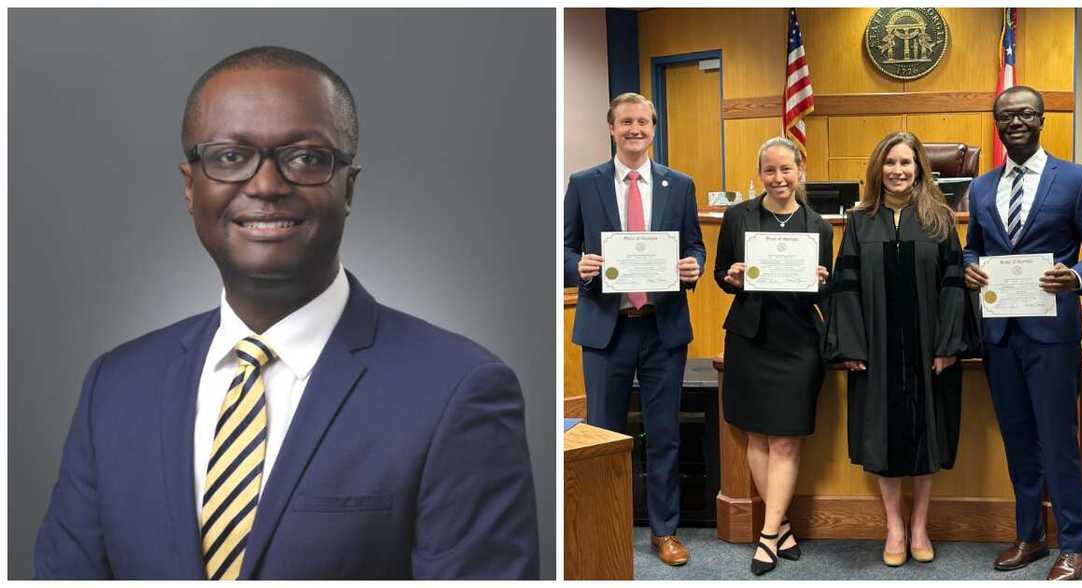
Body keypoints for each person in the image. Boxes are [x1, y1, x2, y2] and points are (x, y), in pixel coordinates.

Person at [34, 46, 539, 580]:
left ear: (348, 185)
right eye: (230, 157)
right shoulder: (114, 386)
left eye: (305, 158)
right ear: (190, 186)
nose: (267, 185)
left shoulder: (458, 390)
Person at [963, 86, 1082, 581]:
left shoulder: (1074, 179)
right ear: (997, 124)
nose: (1016, 121)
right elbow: (973, 248)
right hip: (1001, 334)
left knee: (1058, 439)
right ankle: (1030, 536)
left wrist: (1079, 276)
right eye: (1006, 116)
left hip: (1052, 334)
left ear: (1042, 119)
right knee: (1019, 439)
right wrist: (970, 268)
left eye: (1025, 113)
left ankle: (1073, 544)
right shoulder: (981, 188)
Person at [563, 92, 705, 566]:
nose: (634, 129)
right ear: (611, 128)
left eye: (642, 121)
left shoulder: (678, 185)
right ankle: (608, 526)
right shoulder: (584, 184)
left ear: (653, 127)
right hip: (608, 330)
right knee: (603, 436)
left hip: (662, 329)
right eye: (626, 122)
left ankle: (665, 532)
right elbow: (562, 249)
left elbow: (696, 247)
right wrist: (576, 266)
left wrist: (693, 267)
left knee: (663, 434)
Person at [825, 131, 968, 567]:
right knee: (883, 441)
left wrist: (947, 344)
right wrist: (851, 344)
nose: (898, 171)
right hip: (877, 351)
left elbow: (954, 285)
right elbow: (844, 286)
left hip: (928, 349)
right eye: (890, 163)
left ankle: (920, 525)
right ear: (877, 170)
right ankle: (893, 527)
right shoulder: (860, 221)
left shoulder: (940, 219)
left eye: (906, 163)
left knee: (926, 436)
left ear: (920, 168)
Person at [713, 137, 832, 576]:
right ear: (760, 173)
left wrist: (822, 279)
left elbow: (827, 287)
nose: (778, 179)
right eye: (770, 171)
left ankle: (766, 536)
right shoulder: (738, 216)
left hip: (798, 342)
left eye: (786, 169)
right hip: (750, 338)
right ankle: (780, 526)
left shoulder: (817, 224)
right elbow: (720, 275)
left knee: (785, 438)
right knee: (758, 437)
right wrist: (733, 276)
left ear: (800, 169)